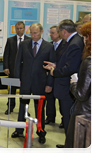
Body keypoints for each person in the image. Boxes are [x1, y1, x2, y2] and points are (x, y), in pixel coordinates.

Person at [43, 19, 84, 149]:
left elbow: (70, 68)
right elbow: (66, 62)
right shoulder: (72, 41)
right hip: (66, 86)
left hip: (67, 87)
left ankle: (70, 147)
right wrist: (55, 65)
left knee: (68, 118)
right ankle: (68, 144)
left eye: (60, 32)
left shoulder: (75, 43)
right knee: (66, 117)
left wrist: (54, 72)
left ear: (64, 31)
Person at [11, 23, 56, 144]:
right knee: (22, 107)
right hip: (25, 81)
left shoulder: (49, 47)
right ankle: (19, 130)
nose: (33, 35)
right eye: (31, 33)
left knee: (40, 109)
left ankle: (41, 131)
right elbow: (17, 62)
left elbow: (52, 67)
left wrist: (49, 84)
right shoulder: (24, 44)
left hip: (40, 82)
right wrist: (17, 78)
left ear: (41, 32)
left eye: (35, 33)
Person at [63, 21, 93, 152]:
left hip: (86, 114)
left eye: (86, 37)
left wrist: (74, 83)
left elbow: (81, 94)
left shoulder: (90, 61)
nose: (84, 40)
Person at [3, 21, 30, 115]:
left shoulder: (29, 40)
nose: (19, 30)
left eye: (21, 28)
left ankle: (24, 110)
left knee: (25, 90)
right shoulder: (10, 40)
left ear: (24, 29)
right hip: (13, 69)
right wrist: (6, 67)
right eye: (17, 28)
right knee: (12, 90)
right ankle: (10, 107)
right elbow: (6, 54)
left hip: (25, 70)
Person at [45, 25, 65, 128]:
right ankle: (50, 117)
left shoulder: (65, 45)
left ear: (59, 33)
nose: (51, 35)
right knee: (49, 97)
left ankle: (63, 119)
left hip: (60, 75)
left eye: (53, 33)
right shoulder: (49, 45)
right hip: (50, 75)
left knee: (61, 99)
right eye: (50, 33)